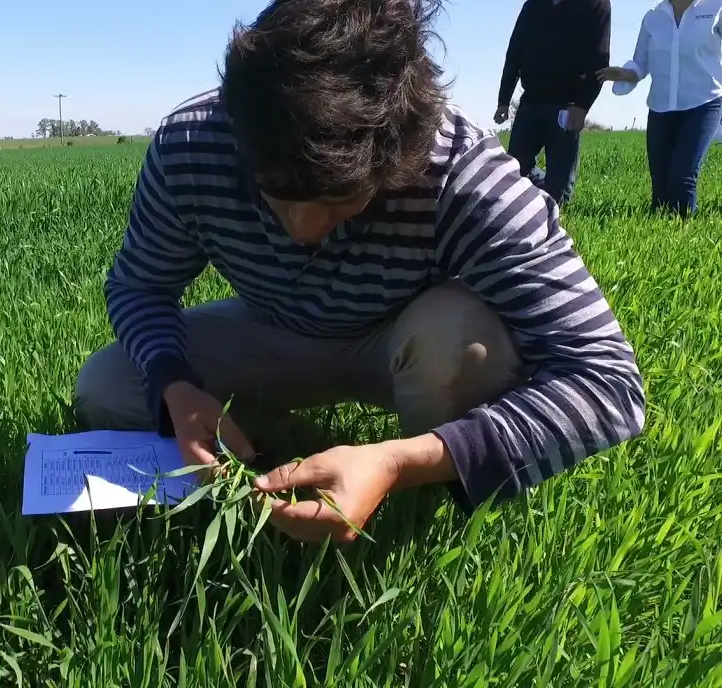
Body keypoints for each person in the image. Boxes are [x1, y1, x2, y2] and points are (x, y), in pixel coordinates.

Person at [74, 0, 646, 543]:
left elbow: (609, 384)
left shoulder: (464, 177)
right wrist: (176, 385)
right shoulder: (192, 145)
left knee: (462, 349)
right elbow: (140, 284)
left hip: (412, 343)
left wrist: (398, 462)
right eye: (277, 193)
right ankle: (257, 441)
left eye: (339, 199)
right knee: (110, 387)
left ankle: (430, 466)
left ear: (401, 153)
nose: (301, 228)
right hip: (275, 330)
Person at [597, 0, 722, 218]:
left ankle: (684, 239)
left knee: (683, 179)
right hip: (660, 108)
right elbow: (640, 63)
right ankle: (663, 239)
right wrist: (624, 74)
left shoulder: (716, 8)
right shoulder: (653, 17)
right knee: (661, 193)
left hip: (704, 104)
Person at [494, 0, 612, 205]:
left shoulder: (596, 4)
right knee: (513, 173)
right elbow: (515, 50)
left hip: (567, 107)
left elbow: (599, 59)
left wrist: (582, 105)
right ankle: (539, 193)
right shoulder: (533, 4)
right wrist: (504, 100)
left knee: (559, 195)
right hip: (530, 102)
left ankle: (551, 211)